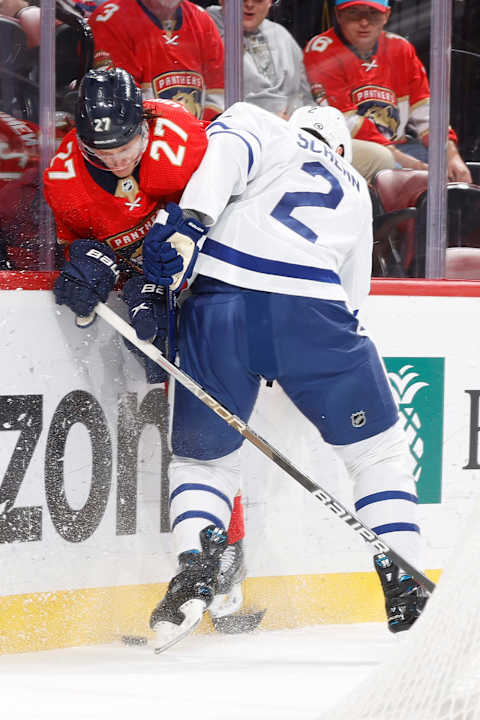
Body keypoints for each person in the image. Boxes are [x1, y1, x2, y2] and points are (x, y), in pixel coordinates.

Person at [139, 102, 428, 652]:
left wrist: (190, 225)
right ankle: (406, 579)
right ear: (340, 150)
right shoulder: (355, 190)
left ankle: (195, 570)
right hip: (312, 313)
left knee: (203, 461)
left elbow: (227, 151)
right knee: (377, 455)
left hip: (218, 305)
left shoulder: (260, 122)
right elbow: (353, 300)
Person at [43, 66, 247, 624]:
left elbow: (232, 215)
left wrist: (173, 269)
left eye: (127, 143)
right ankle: (213, 547)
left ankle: (228, 552)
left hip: (212, 277)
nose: (117, 160)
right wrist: (91, 268)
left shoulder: (184, 137)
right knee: (187, 423)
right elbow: (85, 248)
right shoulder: (63, 179)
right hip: (146, 292)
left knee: (205, 424)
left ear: (146, 120)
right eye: (99, 149)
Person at [206, 0, 394, 183]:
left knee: (379, 158)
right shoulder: (206, 27)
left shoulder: (280, 35)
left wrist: (305, 125)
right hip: (245, 140)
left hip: (295, 134)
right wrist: (268, 121)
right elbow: (212, 103)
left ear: (270, 2)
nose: (249, 5)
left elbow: (305, 99)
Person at [303, 0, 472, 182]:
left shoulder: (401, 48)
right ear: (338, 15)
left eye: (373, 13)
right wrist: (411, 166)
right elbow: (345, 123)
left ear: (387, 15)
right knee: (416, 182)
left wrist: (450, 155)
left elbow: (425, 109)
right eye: (354, 13)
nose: (364, 22)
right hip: (349, 151)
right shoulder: (321, 50)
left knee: (455, 180)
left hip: (401, 145)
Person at [89, 0, 224, 121]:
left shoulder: (201, 19)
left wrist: (202, 132)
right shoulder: (109, 20)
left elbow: (219, 89)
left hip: (198, 137)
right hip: (142, 140)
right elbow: (119, 103)